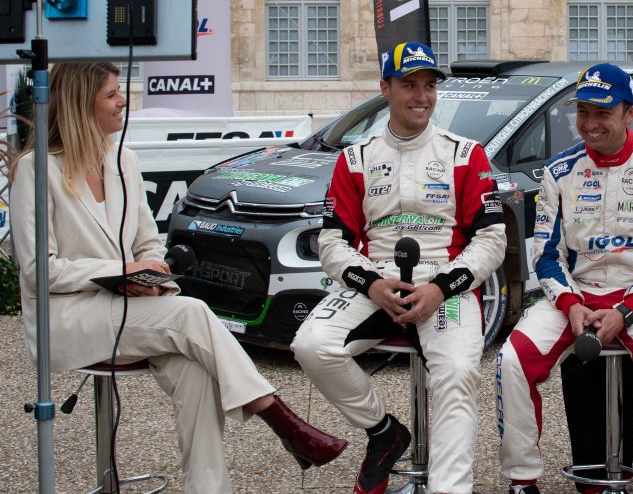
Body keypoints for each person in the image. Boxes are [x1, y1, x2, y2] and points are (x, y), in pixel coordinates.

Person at [10, 62, 346, 494]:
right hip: (66, 315)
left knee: (195, 368)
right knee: (190, 312)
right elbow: (40, 270)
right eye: (112, 94)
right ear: (81, 104)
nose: (123, 101)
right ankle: (280, 418)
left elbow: (149, 242)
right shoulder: (36, 170)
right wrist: (118, 272)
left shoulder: (123, 160)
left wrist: (150, 270)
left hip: (128, 306)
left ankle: (208, 488)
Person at [291, 41, 507, 494]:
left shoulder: (466, 154)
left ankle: (450, 489)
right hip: (378, 276)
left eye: (429, 86)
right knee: (311, 345)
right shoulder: (356, 157)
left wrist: (442, 289)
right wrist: (370, 284)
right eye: (409, 85)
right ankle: (384, 431)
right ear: (384, 88)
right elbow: (332, 240)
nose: (421, 96)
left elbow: (491, 240)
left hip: (444, 278)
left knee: (456, 374)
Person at [497, 63, 633, 493]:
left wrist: (626, 310)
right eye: (583, 111)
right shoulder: (558, 170)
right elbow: (545, 255)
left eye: (602, 112)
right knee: (511, 360)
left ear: (629, 113)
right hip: (576, 294)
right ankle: (522, 478)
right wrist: (570, 304)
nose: (590, 123)